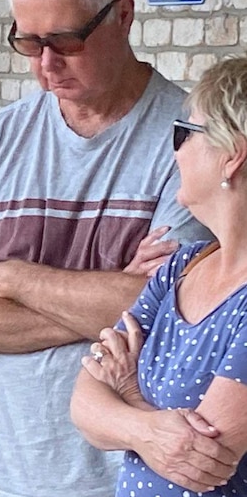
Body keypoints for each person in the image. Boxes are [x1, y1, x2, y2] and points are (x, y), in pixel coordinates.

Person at [0, 0, 212, 497]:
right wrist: (108, 298)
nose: (46, 64)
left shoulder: (193, 140)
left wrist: (10, 278)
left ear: (123, 15)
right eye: (28, 42)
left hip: (127, 476)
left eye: (66, 39)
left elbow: (166, 315)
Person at [71, 57, 247, 497]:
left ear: (232, 157)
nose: (176, 150)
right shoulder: (180, 266)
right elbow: (83, 401)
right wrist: (149, 429)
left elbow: (203, 458)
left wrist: (128, 392)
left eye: (186, 133)